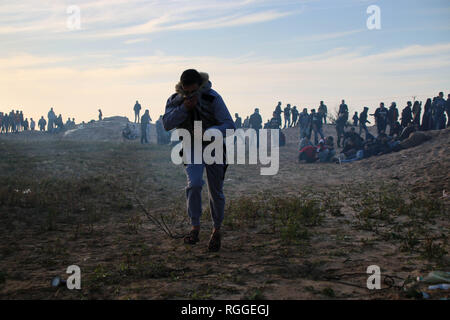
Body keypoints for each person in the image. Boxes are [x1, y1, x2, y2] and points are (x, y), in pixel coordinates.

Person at [162, 69, 235, 252]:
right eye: (186, 92)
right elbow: (167, 123)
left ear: (200, 86)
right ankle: (195, 227)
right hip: (190, 145)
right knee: (194, 184)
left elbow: (229, 125)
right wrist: (184, 108)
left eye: (193, 91)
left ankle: (216, 230)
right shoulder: (175, 100)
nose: (190, 95)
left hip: (214, 147)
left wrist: (210, 133)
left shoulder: (212, 97)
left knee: (215, 191)